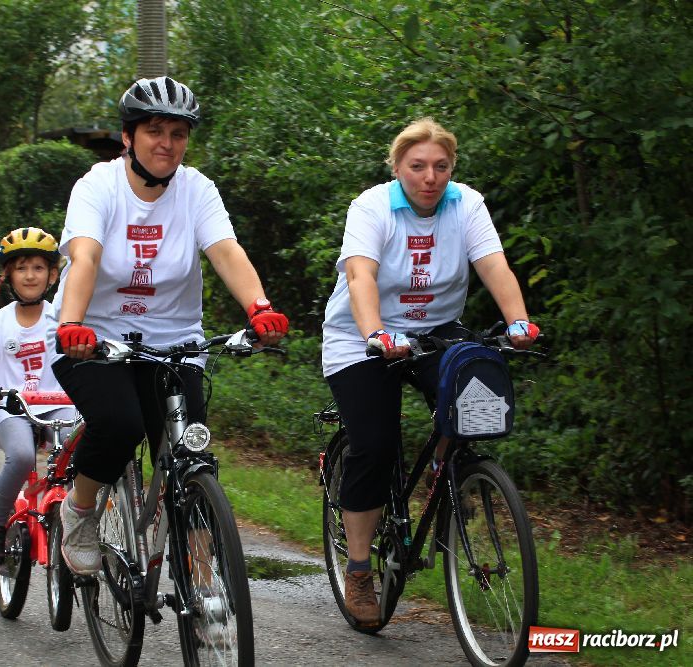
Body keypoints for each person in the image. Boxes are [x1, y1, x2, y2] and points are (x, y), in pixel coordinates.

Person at [49, 76, 289, 576]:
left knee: (191, 456)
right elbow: (86, 256)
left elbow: (225, 251)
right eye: (155, 130)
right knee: (120, 424)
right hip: (95, 340)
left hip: (176, 343)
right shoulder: (98, 186)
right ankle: (80, 508)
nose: (167, 144)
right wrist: (72, 323)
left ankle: (204, 586)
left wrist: (260, 307)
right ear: (128, 137)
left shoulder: (196, 189)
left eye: (178, 133)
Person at [320, 118, 540, 625]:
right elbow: (360, 274)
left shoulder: (466, 204)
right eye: (417, 166)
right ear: (397, 168)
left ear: (452, 168)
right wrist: (376, 332)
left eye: (441, 166)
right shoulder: (372, 207)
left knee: (477, 389)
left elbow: (494, 265)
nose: (430, 176)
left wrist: (519, 322)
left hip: (436, 331)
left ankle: (448, 477)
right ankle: (358, 570)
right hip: (361, 339)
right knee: (374, 446)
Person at [0, 227, 74, 563]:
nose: (30, 276)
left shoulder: (63, 318)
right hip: (10, 408)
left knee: (84, 450)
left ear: (53, 275)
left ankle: (82, 519)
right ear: (8, 274)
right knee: (23, 457)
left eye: (39, 268)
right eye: (22, 267)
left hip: (59, 406)